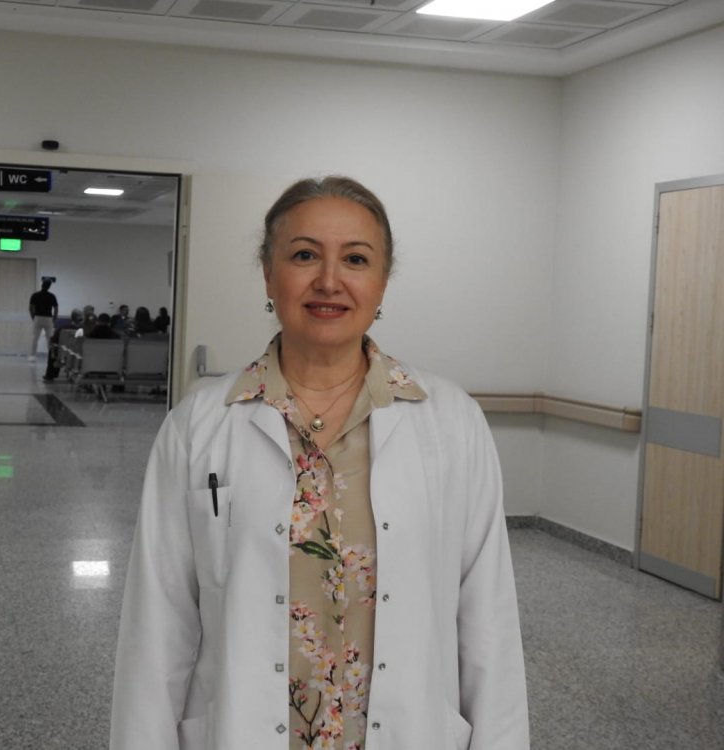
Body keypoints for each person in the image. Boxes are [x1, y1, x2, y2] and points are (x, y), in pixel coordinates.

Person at [110, 176, 529, 749]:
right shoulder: (197, 426)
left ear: (382, 282)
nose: (329, 281)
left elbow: (489, 626)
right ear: (268, 273)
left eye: (356, 259)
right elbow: (157, 627)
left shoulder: (452, 422)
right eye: (304, 255)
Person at [28, 279, 58, 360]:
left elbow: (30, 308)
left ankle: (32, 356)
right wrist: (54, 319)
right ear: (49, 287)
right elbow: (56, 309)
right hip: (48, 318)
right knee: (49, 338)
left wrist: (33, 318)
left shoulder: (35, 295)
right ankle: (51, 356)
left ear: (42, 285)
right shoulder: (52, 296)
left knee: (35, 338)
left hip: (38, 317)